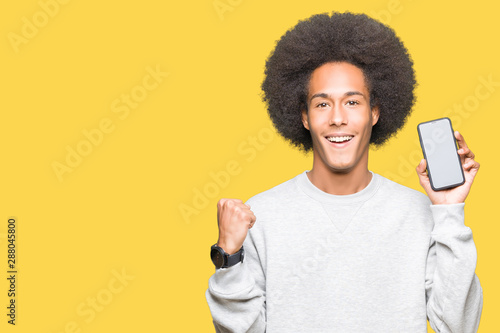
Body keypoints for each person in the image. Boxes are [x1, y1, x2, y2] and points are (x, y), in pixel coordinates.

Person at [206, 12, 483, 333]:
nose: (338, 118)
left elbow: (459, 327)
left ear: (375, 112)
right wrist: (228, 256)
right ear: (305, 116)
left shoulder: (421, 214)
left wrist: (449, 213)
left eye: (352, 102)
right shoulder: (260, 214)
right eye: (322, 104)